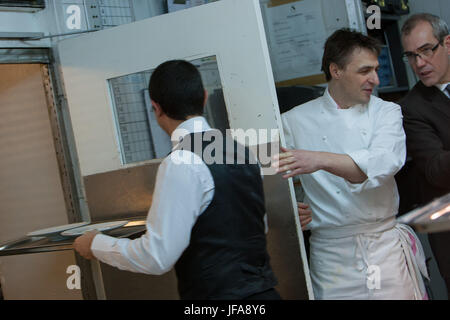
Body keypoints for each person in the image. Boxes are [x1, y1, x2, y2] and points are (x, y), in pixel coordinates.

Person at [74, 60, 280, 300]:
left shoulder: (181, 162)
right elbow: (257, 227)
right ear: (204, 98)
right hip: (265, 294)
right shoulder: (243, 152)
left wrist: (95, 245)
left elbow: (157, 256)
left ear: (156, 108)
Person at [274, 29, 428, 300]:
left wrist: (317, 158)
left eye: (376, 70)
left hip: (384, 248)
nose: (375, 79)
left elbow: (382, 164)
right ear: (336, 70)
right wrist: (290, 209)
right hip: (332, 257)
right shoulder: (292, 121)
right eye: (364, 71)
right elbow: (275, 177)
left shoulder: (387, 112)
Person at [397, 13, 450, 298]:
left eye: (426, 51)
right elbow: (435, 168)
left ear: (448, 43)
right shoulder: (412, 108)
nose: (419, 63)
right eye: (411, 56)